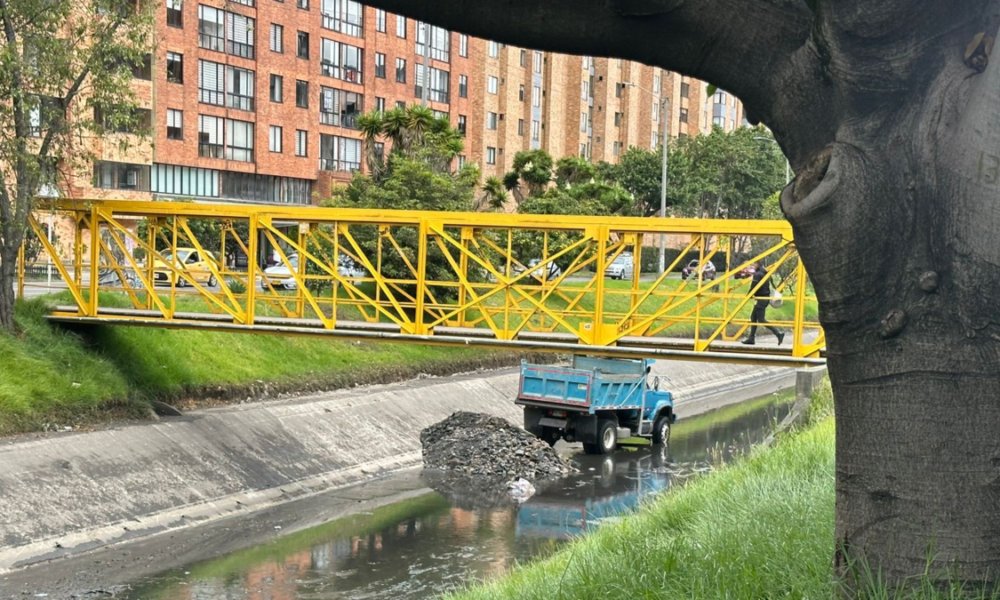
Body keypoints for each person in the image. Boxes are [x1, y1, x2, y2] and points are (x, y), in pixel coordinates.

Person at [742, 261, 784, 345]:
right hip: (764, 298)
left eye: (754, 264)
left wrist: (749, 295)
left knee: (761, 319)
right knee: (753, 317)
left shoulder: (758, 274)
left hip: (761, 299)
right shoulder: (764, 272)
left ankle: (778, 333)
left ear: (757, 264)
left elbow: (754, 286)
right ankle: (751, 338)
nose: (752, 266)